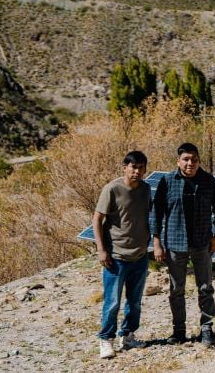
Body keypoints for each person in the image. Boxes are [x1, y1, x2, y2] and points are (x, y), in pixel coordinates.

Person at [151, 143, 215, 347]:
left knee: (205, 288)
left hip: (202, 243)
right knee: (177, 289)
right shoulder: (167, 181)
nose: (190, 163)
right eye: (185, 159)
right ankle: (179, 330)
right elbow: (157, 213)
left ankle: (207, 329)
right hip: (175, 244)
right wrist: (157, 242)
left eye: (194, 159)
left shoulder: (208, 181)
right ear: (178, 161)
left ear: (199, 161)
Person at [93, 151, 151, 359]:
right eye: (133, 167)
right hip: (116, 257)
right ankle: (105, 339)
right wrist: (101, 250)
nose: (137, 171)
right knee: (112, 302)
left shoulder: (146, 189)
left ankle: (127, 335)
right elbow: (97, 219)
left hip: (140, 255)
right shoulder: (112, 189)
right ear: (125, 167)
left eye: (141, 167)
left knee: (134, 301)